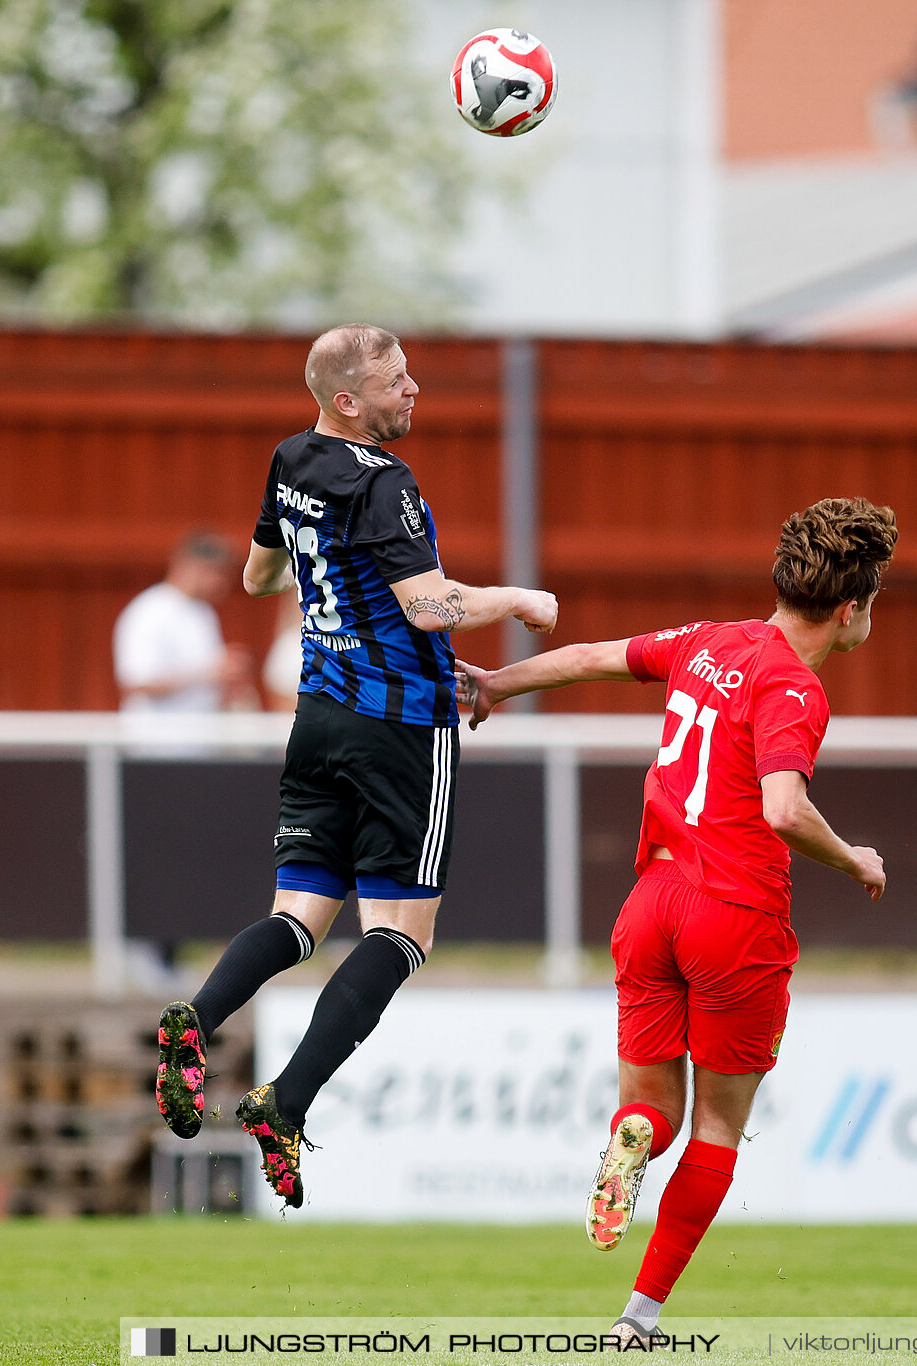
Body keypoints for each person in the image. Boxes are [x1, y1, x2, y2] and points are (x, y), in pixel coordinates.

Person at [455, 496, 896, 1342]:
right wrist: (855, 859)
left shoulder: (709, 643)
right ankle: (638, 1317)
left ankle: (630, 1137)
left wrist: (498, 684)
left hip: (651, 903)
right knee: (720, 1124)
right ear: (851, 608)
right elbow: (783, 809)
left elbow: (589, 656)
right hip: (734, 915)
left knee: (649, 1111)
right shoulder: (793, 687)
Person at [152, 324, 558, 1209]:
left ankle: (196, 1019)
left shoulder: (291, 456)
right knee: (400, 934)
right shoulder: (386, 481)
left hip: (318, 720)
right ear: (348, 399)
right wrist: (518, 597)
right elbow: (430, 605)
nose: (413, 390)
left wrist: (350, 612)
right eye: (395, 380)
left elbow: (264, 578)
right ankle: (284, 1101)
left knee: (298, 917)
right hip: (399, 730)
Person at [113, 531, 256, 712]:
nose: (222, 584)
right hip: (157, 736)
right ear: (192, 567)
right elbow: (137, 681)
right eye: (218, 573)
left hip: (199, 735)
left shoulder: (203, 612)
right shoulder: (150, 610)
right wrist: (213, 672)